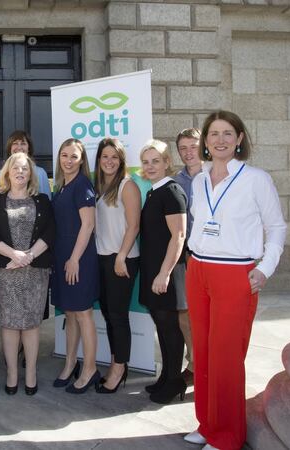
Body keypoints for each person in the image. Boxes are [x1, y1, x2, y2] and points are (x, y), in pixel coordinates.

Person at [183, 111, 286, 450]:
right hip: (199, 270)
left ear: (239, 139)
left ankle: (227, 436)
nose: (220, 140)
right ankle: (208, 423)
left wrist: (265, 267)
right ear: (205, 141)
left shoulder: (256, 179)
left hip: (234, 272)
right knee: (203, 352)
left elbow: (276, 227)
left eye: (228, 133)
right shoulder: (199, 180)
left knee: (226, 356)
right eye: (214, 133)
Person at [0, 152, 55, 396]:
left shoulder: (42, 200)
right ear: (7, 172)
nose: (20, 172)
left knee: (31, 324)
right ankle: (12, 373)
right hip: (5, 272)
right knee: (10, 323)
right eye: (16, 168)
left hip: (35, 271)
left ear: (31, 173)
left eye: (25, 168)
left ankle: (31, 372)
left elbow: (50, 232)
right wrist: (14, 254)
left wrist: (28, 256)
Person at [138, 139, 188, 405]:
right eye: (146, 162)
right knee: (162, 326)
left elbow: (178, 236)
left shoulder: (171, 191)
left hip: (166, 272)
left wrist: (164, 273)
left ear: (167, 162)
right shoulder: (153, 191)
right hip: (154, 270)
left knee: (170, 329)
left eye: (155, 161)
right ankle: (167, 377)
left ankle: (175, 381)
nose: (150, 166)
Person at [50, 138, 100, 393]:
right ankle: (70, 364)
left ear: (82, 161)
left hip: (78, 259)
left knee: (83, 313)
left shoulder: (82, 185)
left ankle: (90, 369)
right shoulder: (61, 186)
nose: (68, 161)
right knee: (70, 313)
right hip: (62, 258)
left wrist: (74, 259)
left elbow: (88, 225)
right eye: (64, 155)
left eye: (74, 156)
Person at [92, 137, 141, 394]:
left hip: (122, 258)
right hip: (102, 257)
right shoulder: (100, 187)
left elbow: (134, 225)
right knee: (109, 314)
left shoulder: (127, 185)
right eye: (105, 156)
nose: (109, 161)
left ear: (121, 160)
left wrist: (121, 256)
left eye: (114, 157)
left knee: (118, 316)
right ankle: (115, 363)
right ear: (99, 160)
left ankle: (119, 369)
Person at [173, 128, 202, 386]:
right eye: (183, 148)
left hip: (211, 257)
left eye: (193, 146)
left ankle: (209, 364)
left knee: (209, 315)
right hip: (184, 256)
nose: (188, 152)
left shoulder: (216, 176)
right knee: (184, 312)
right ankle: (193, 363)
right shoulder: (176, 181)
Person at [0, 130, 52, 198]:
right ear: (10, 148)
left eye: (23, 143)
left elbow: (47, 200)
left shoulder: (40, 173)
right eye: (15, 143)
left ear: (29, 148)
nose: (19, 147)